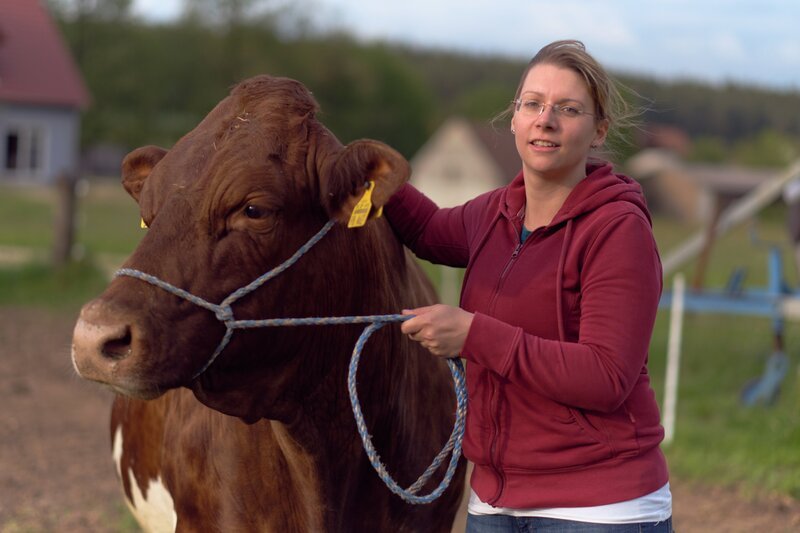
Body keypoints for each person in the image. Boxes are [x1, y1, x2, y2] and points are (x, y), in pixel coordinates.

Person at [384, 40, 672, 532]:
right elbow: (429, 230)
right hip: (495, 503)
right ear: (514, 117)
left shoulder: (617, 229)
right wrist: (374, 173)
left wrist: (475, 335)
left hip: (599, 508)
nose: (546, 120)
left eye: (568, 109)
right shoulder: (493, 213)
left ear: (599, 129)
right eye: (533, 104)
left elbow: (605, 377)